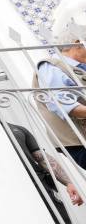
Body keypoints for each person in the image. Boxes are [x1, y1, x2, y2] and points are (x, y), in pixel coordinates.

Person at [6, 123, 83, 224]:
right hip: (11, 190)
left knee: (62, 223)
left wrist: (69, 183)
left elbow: (42, 158)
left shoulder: (17, 129)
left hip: (39, 184)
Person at [34, 30, 86, 169]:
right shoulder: (51, 66)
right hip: (78, 141)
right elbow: (64, 105)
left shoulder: (78, 67)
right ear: (77, 44)